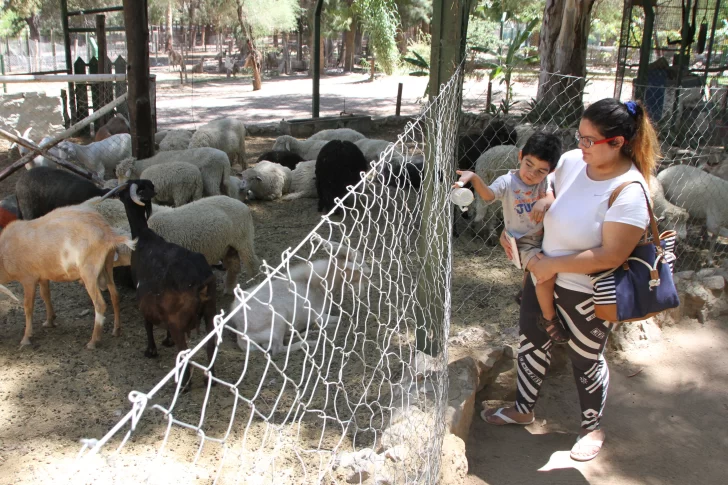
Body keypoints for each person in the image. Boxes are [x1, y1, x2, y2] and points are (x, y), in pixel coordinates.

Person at [480, 98, 659, 463]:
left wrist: (553, 265)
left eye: (590, 140)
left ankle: (591, 426)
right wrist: (531, 217)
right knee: (531, 342)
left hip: (588, 290)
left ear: (618, 143)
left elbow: (612, 255)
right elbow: (552, 190)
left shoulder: (629, 190)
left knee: (585, 357)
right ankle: (523, 409)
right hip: (542, 273)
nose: (581, 146)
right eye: (580, 136)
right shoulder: (574, 162)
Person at [454, 132, 566, 343]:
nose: (532, 174)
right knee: (545, 274)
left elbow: (550, 194)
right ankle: (549, 318)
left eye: (541, 170)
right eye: (528, 165)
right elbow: (488, 196)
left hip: (544, 237)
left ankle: (525, 293)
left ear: (550, 171)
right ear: (520, 156)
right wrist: (476, 178)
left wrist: (545, 202)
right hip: (522, 243)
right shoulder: (507, 182)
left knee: (533, 271)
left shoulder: (544, 183)